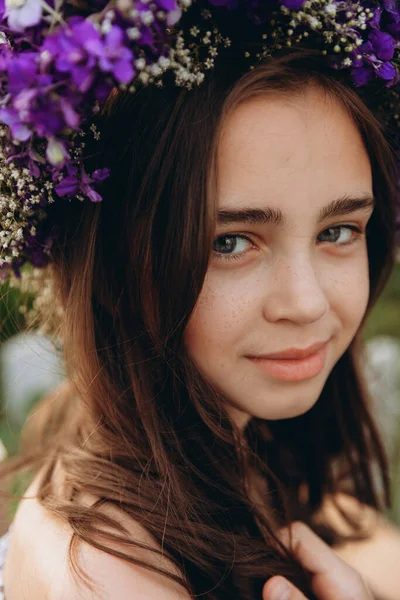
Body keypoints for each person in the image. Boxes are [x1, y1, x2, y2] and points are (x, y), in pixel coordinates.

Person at [0, 1, 399, 599]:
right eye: (232, 242)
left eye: (337, 231)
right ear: (113, 259)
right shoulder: (110, 577)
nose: (307, 302)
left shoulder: (232, 457)